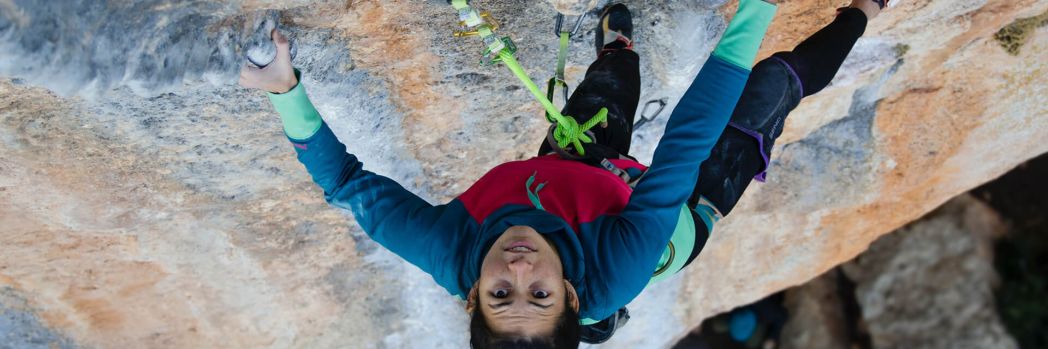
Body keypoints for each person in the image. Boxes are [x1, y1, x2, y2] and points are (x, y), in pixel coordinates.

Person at [238, 0, 886, 346]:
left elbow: (347, 186)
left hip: (575, 179)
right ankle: (866, 10)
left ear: (471, 296)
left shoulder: (449, 246)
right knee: (772, 85)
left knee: (613, 81)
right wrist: (756, 8)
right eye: (539, 295)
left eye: (501, 295)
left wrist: (284, 90)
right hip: (678, 217)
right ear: (572, 297)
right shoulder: (621, 267)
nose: (518, 270)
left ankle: (617, 45)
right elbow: (687, 144)